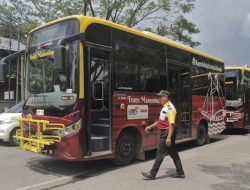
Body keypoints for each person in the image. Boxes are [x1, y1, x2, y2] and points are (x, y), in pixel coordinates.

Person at [141, 90, 185, 180]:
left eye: (160, 97)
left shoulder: (170, 108)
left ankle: (152, 174)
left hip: (167, 133)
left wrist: (168, 137)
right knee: (173, 153)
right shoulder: (165, 107)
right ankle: (180, 173)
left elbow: (171, 124)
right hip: (166, 132)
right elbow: (160, 121)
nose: (159, 99)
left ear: (165, 97)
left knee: (160, 153)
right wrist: (150, 126)